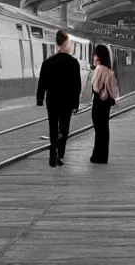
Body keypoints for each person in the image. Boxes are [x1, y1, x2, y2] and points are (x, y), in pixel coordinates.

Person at [36, 30, 82, 167]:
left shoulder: (48, 62)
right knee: (64, 129)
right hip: (67, 102)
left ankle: (52, 152)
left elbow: (42, 81)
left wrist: (40, 98)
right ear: (66, 44)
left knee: (52, 127)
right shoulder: (73, 63)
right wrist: (76, 103)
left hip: (52, 101)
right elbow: (77, 85)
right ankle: (60, 151)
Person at [90, 45, 117, 164]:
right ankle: (103, 156)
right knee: (104, 129)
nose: (93, 57)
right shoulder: (109, 71)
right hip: (106, 103)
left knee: (98, 130)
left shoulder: (99, 69)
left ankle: (97, 156)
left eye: (95, 55)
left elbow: (95, 88)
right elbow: (113, 90)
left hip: (98, 103)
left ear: (99, 56)